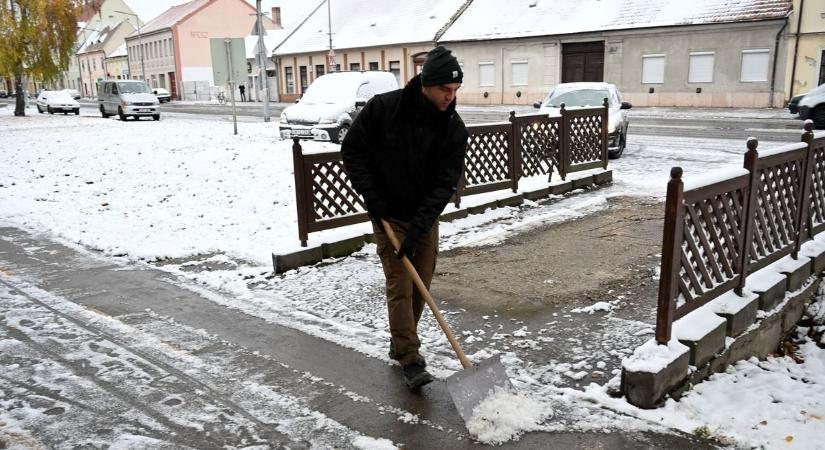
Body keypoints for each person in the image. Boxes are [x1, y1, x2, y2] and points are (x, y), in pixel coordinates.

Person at [341, 46, 468, 389]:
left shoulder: (453, 127)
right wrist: (372, 198)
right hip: (388, 214)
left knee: (420, 285)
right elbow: (353, 150)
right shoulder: (385, 108)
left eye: (455, 89)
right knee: (401, 283)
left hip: (423, 216)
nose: (450, 96)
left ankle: (400, 340)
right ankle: (410, 357)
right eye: (445, 89)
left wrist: (421, 226)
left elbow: (445, 183)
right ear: (426, 84)